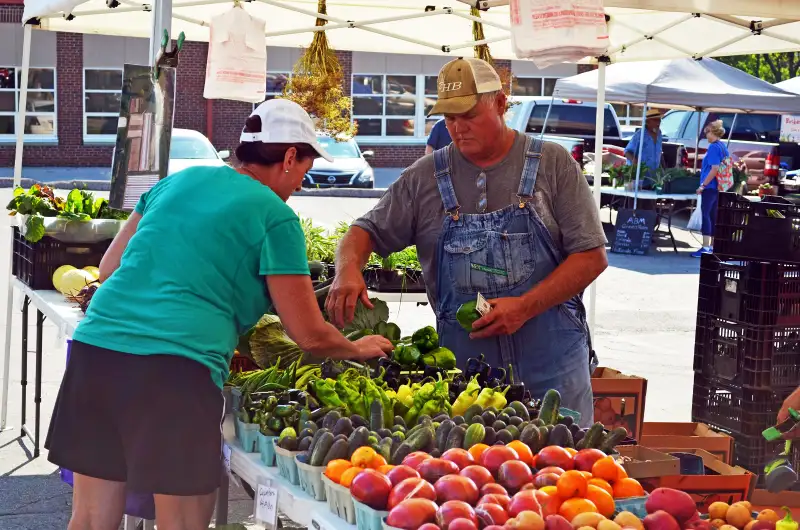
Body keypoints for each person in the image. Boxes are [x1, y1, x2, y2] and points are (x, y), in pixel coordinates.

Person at [45, 99, 393, 530]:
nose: (302, 183)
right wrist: (356, 348)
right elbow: (309, 335)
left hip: (96, 355)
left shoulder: (177, 183)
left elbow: (110, 268)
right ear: (287, 157)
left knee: (92, 519)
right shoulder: (275, 217)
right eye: (304, 167)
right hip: (174, 373)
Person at [326, 57, 608, 424]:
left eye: (469, 115)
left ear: (501, 103)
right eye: (450, 118)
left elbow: (591, 255)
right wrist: (347, 271)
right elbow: (363, 231)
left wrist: (524, 306)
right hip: (468, 381)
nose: (458, 128)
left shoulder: (551, 164)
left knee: (565, 471)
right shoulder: (424, 177)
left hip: (553, 370)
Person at [691, 119, 730, 258]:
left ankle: (705, 246)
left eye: (707, 132)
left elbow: (714, 169)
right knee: (713, 216)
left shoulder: (713, 147)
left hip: (711, 186)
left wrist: (703, 185)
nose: (706, 135)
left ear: (713, 132)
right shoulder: (722, 146)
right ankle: (713, 246)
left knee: (706, 215)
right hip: (719, 186)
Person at [624, 108, 664, 187]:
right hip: (641, 179)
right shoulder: (640, 135)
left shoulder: (659, 134)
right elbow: (627, 152)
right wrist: (636, 163)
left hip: (654, 178)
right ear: (648, 122)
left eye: (659, 120)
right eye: (655, 120)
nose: (658, 123)